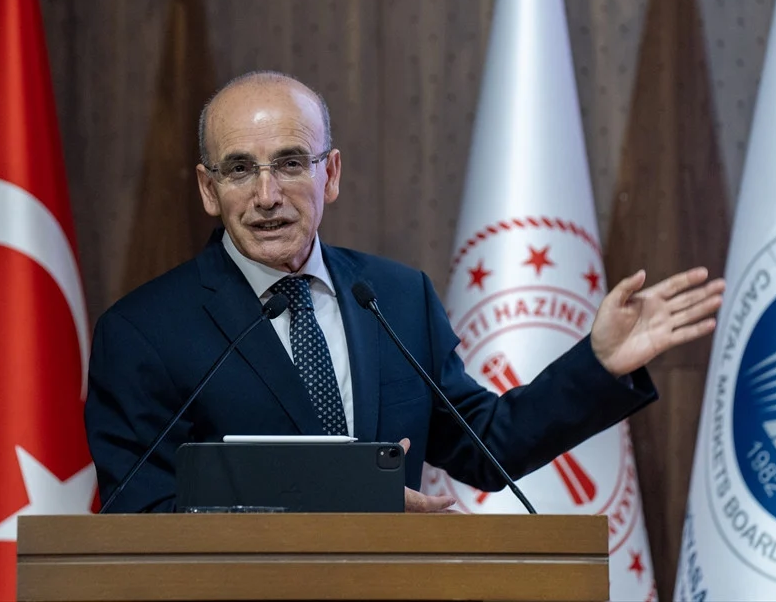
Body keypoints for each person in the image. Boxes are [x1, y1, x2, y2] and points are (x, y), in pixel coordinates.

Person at [86, 72, 724, 513]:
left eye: (290, 163)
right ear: (208, 189)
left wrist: (600, 364)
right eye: (239, 170)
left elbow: (486, 445)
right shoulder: (144, 332)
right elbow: (143, 514)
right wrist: (343, 506)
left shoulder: (394, 297)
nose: (267, 195)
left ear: (331, 174)